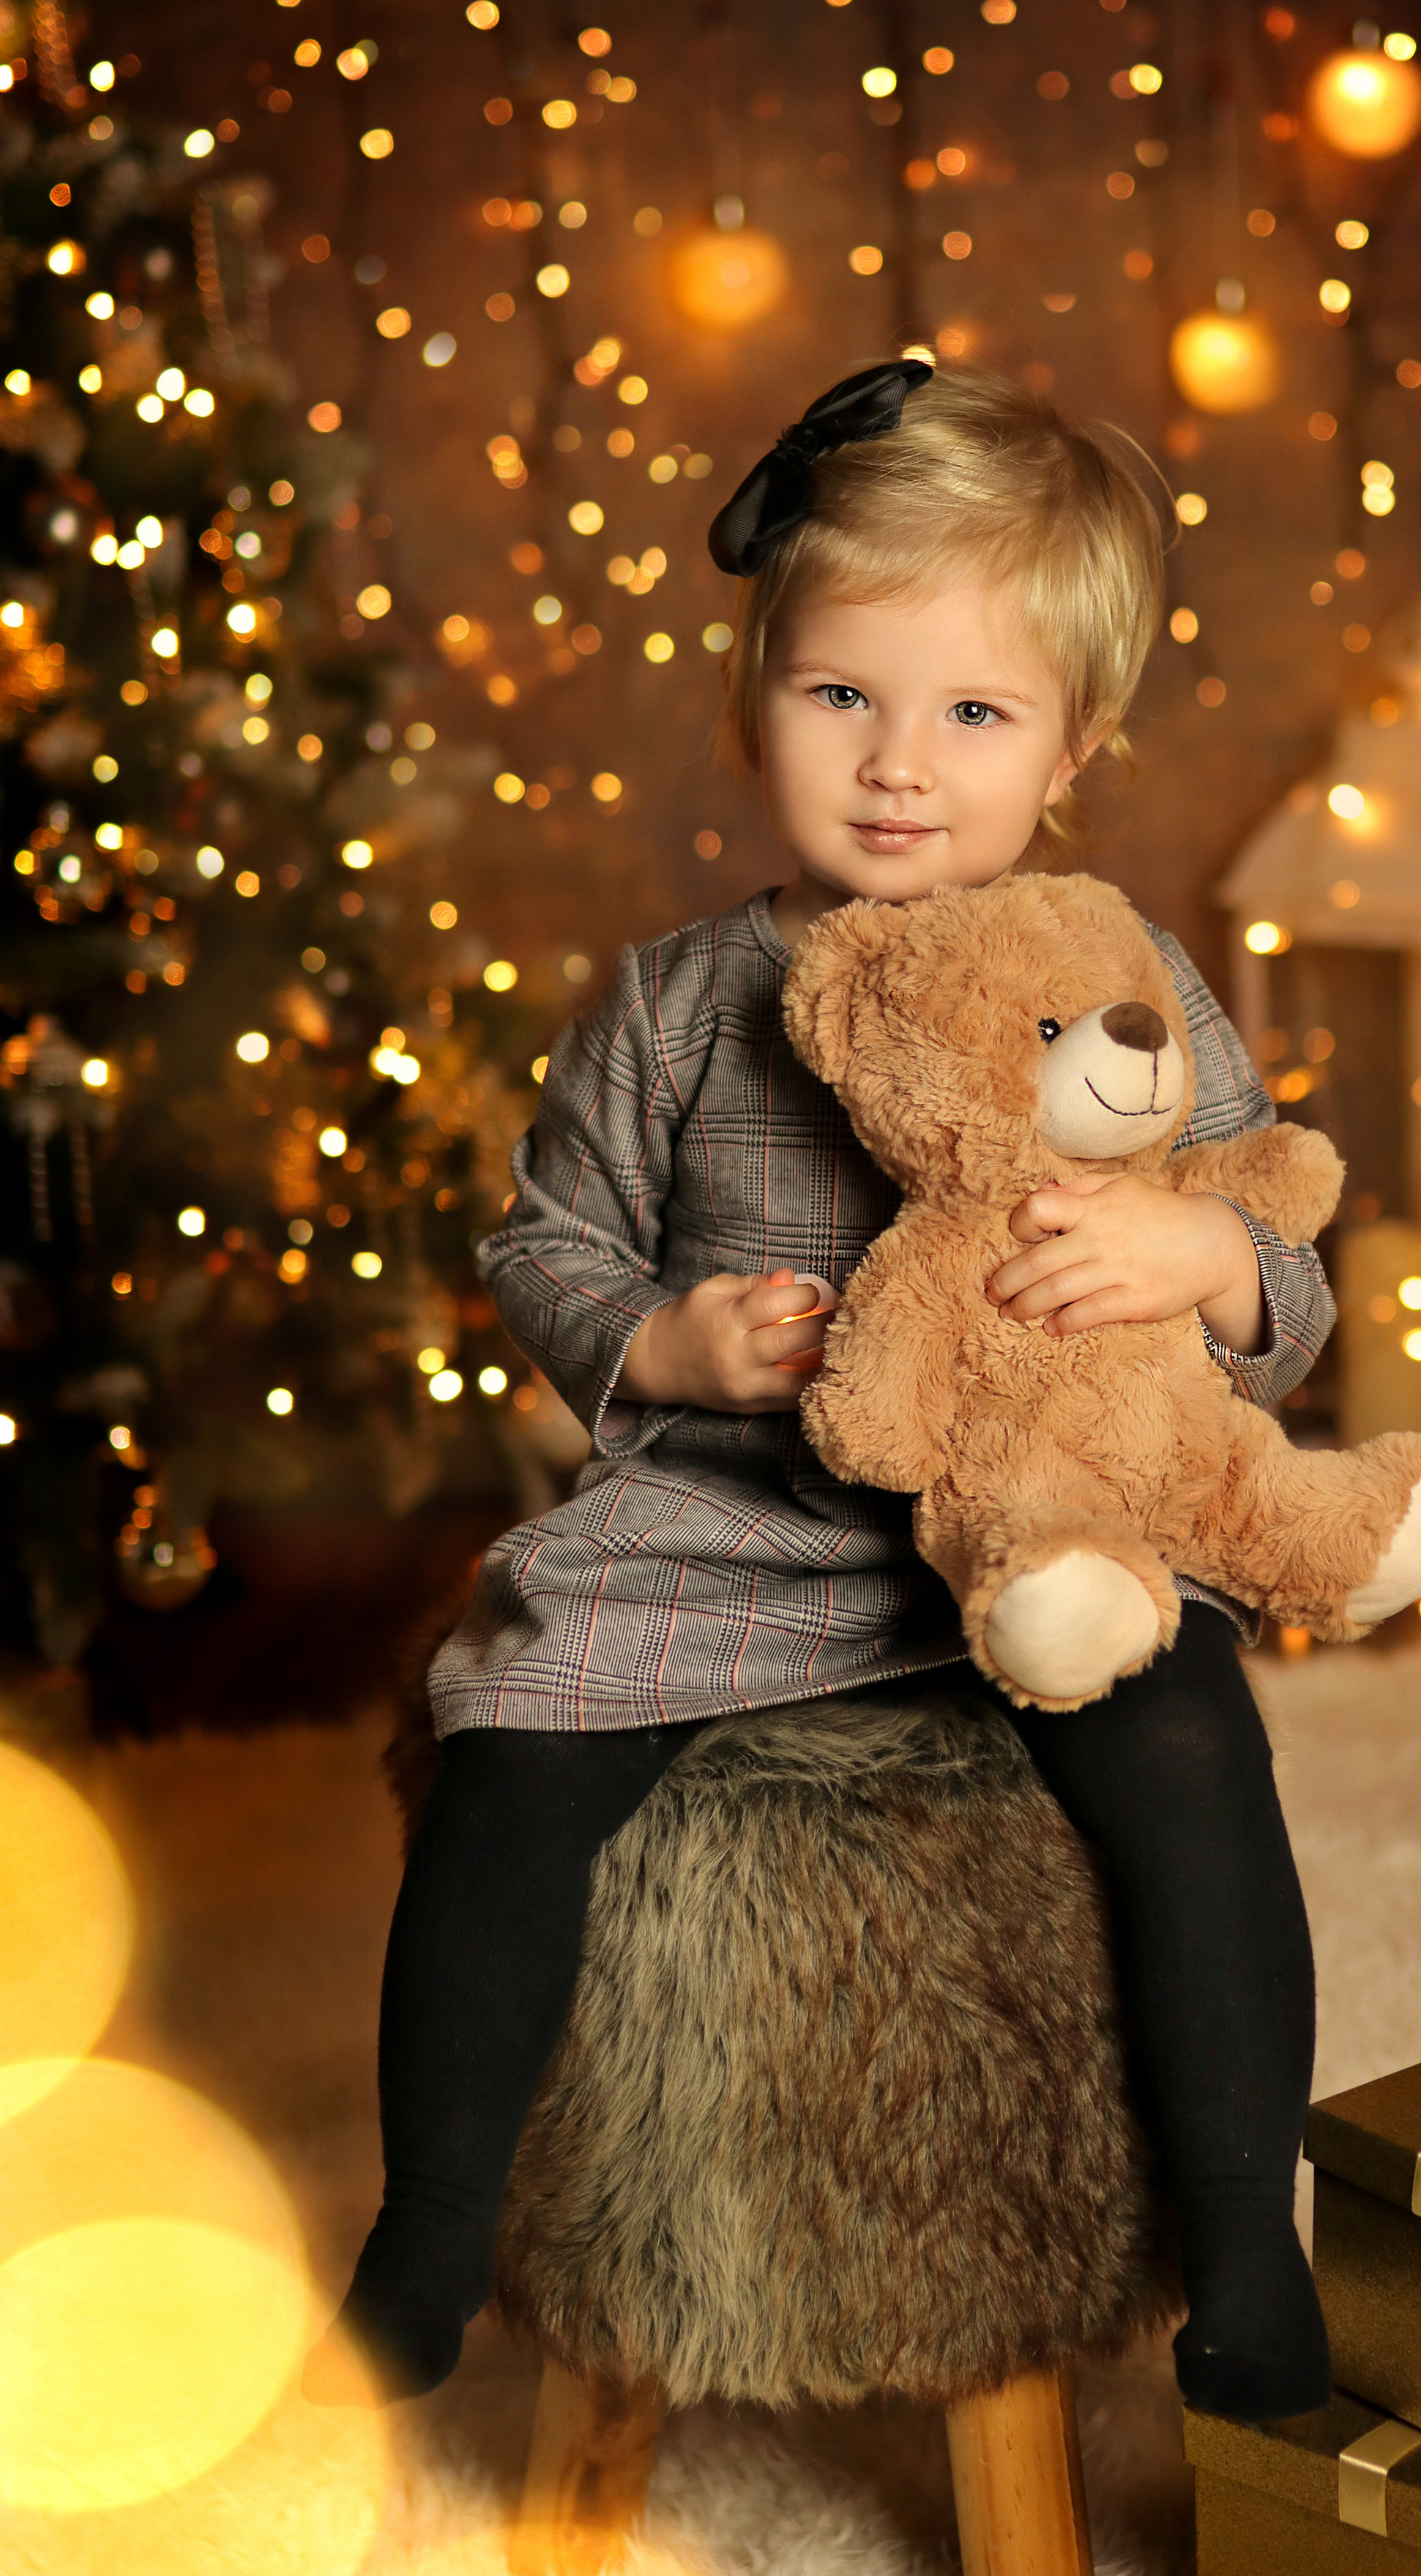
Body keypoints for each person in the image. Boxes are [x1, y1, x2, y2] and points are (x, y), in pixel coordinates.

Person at [308, 360, 1336, 2429]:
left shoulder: (1118, 974)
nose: (897, 766)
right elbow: (547, 1243)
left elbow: (1281, 1257)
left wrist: (1203, 1260)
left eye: (974, 715)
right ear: (753, 693)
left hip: (1044, 1529)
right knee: (509, 1734)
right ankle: (426, 2232)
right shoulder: (681, 1002)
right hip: (739, 1521)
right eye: (840, 694)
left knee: (1192, 1739)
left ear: (1071, 748)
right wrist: (662, 1346)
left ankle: (1246, 2244)